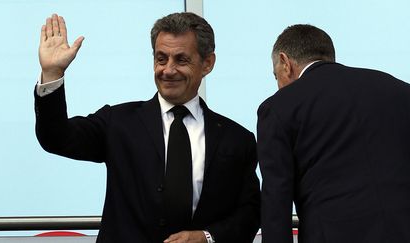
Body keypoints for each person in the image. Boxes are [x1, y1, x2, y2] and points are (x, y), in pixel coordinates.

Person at [34, 12, 260, 243]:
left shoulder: (237, 139)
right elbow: (56, 138)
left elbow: (249, 213)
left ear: (207, 63)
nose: (168, 70)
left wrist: (206, 237)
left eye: (181, 60)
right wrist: (53, 73)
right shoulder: (118, 122)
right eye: (161, 59)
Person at [257, 24, 410, 243]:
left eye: (275, 77)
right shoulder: (400, 92)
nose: (278, 86)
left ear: (285, 63)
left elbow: (276, 203)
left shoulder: (278, 108)